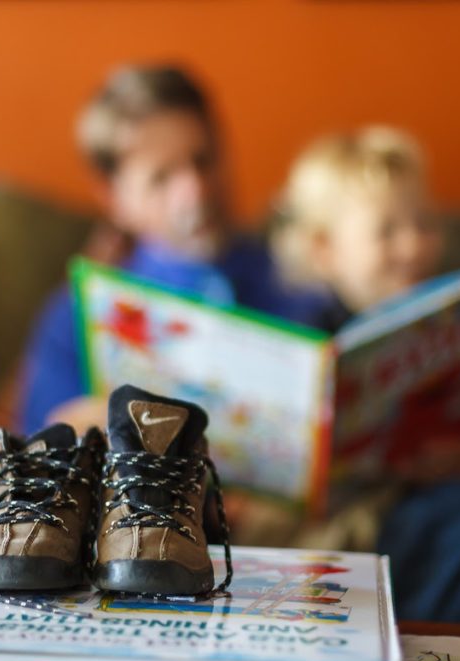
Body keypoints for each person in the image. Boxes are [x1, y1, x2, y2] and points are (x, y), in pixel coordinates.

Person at [272, 126, 460, 624]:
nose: (414, 246)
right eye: (386, 231)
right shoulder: (305, 334)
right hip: (367, 518)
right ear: (325, 249)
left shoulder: (452, 317)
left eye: (424, 224)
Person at [18, 65, 326, 436]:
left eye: (203, 160)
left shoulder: (301, 274)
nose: (196, 191)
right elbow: (40, 463)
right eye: (161, 178)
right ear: (116, 199)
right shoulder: (77, 317)